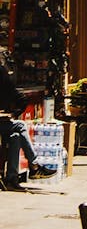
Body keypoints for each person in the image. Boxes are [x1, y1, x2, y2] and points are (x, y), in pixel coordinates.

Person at [0, 53, 56, 190]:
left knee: (16, 137)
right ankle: (34, 165)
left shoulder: (3, 77)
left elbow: (19, 97)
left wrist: (13, 113)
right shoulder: (3, 74)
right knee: (20, 125)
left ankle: (12, 179)